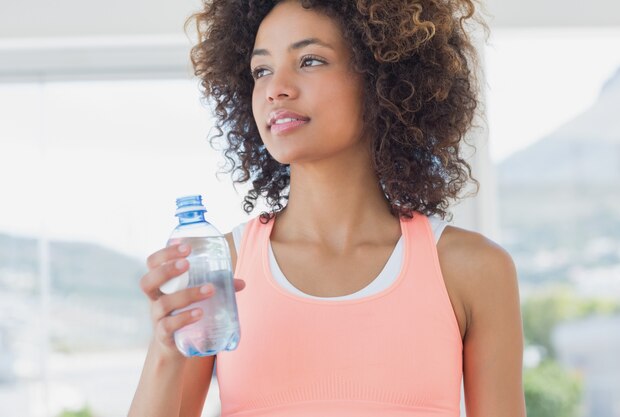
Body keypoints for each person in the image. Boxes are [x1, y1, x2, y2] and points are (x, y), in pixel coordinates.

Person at [129, 0, 526, 416]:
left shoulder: (473, 270)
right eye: (261, 70)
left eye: (310, 60)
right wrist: (165, 351)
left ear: (382, 79)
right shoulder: (221, 268)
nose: (274, 88)